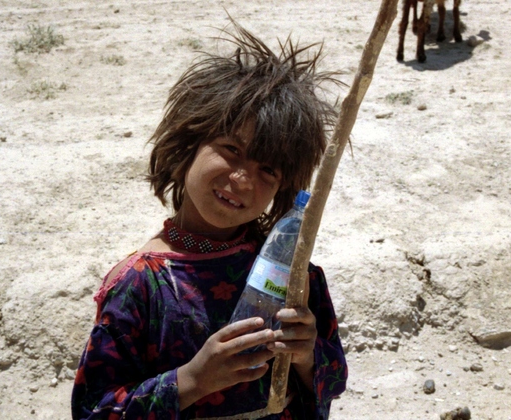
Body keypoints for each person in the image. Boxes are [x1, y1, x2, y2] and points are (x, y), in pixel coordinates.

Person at [71, 20, 347, 420]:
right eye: (231, 149)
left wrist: (307, 355)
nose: (241, 179)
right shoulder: (140, 286)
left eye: (267, 169)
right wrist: (193, 380)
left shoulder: (292, 274)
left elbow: (333, 380)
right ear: (188, 144)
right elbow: (93, 411)